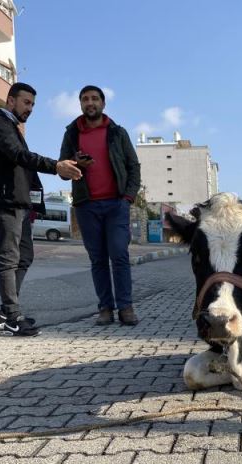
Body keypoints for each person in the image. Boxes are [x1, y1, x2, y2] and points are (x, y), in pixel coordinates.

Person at [0, 82, 82, 336]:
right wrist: (56, 166)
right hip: (2, 203)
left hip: (19, 204)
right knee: (8, 258)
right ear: (11, 100)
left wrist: (35, 202)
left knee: (25, 257)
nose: (31, 108)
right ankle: (13, 316)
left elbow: (24, 168)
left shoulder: (13, 127)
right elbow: (18, 156)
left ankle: (5, 312)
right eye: (26, 102)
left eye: (33, 104)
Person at [59, 85, 141, 326]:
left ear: (103, 104)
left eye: (95, 98)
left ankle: (126, 307)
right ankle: (105, 308)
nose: (90, 103)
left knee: (119, 255)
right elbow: (63, 171)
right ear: (80, 104)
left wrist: (128, 197)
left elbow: (133, 166)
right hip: (86, 206)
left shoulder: (118, 132)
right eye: (85, 99)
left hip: (116, 204)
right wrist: (77, 163)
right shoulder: (72, 133)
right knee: (98, 259)